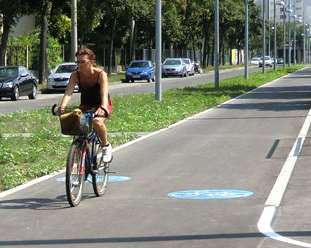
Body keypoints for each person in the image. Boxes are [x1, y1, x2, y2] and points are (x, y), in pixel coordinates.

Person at [59, 47, 112, 162]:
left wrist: (103, 107)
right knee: (77, 125)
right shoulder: (75, 75)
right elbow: (68, 92)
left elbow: (104, 93)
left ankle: (106, 146)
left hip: (102, 104)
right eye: (78, 62)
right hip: (86, 104)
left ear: (92, 62)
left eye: (83, 62)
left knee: (97, 122)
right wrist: (62, 106)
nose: (80, 64)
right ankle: (80, 160)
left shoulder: (100, 74)